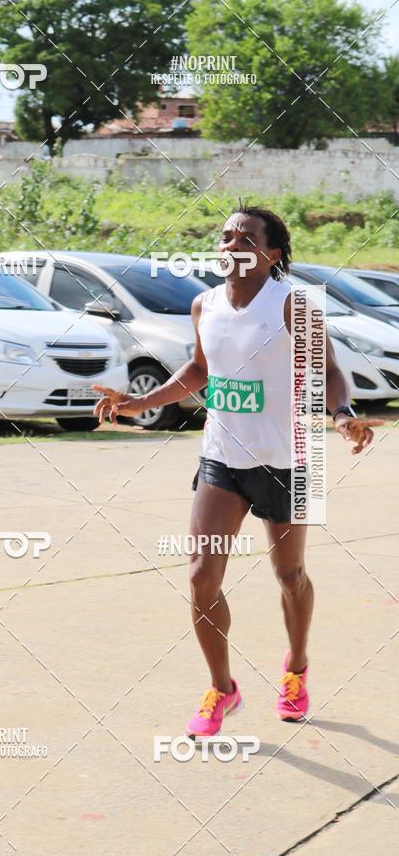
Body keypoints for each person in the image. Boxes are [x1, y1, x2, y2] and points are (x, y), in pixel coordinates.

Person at [92, 206, 383, 737]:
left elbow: (331, 371)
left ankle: (296, 669)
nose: (228, 243)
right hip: (222, 458)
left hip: (287, 460)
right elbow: (199, 370)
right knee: (202, 577)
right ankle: (222, 690)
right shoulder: (204, 305)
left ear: (271, 254)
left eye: (244, 237)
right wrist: (138, 403)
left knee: (289, 575)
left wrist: (341, 418)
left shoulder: (293, 306)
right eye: (224, 235)